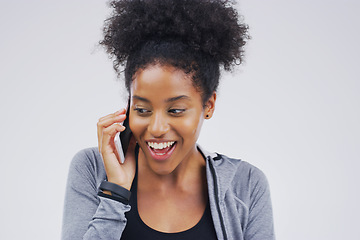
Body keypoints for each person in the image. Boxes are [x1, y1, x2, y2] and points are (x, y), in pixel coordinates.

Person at [61, 0, 275, 239]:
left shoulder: (245, 185)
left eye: (175, 110)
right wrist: (116, 192)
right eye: (142, 110)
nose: (157, 128)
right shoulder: (92, 169)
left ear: (208, 105)